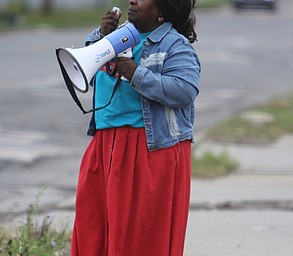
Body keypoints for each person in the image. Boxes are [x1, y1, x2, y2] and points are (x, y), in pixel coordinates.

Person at [70, 0, 200, 255]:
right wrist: (101, 38)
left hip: (148, 151)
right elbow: (86, 68)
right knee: (94, 229)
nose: (133, 0)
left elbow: (185, 90)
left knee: (139, 238)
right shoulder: (116, 37)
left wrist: (136, 74)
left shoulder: (174, 44)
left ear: (163, 8)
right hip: (106, 145)